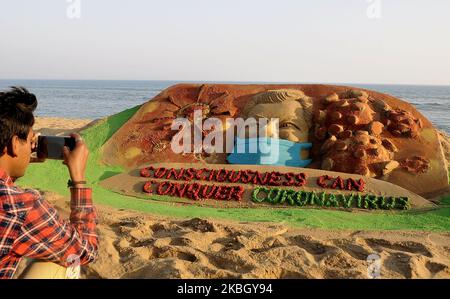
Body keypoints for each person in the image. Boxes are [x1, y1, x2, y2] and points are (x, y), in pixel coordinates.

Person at [0, 86, 98, 279]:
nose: (32, 146)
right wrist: (78, 179)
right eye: (30, 140)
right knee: (64, 263)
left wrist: (19, 158)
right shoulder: (20, 207)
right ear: (13, 144)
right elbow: (86, 251)